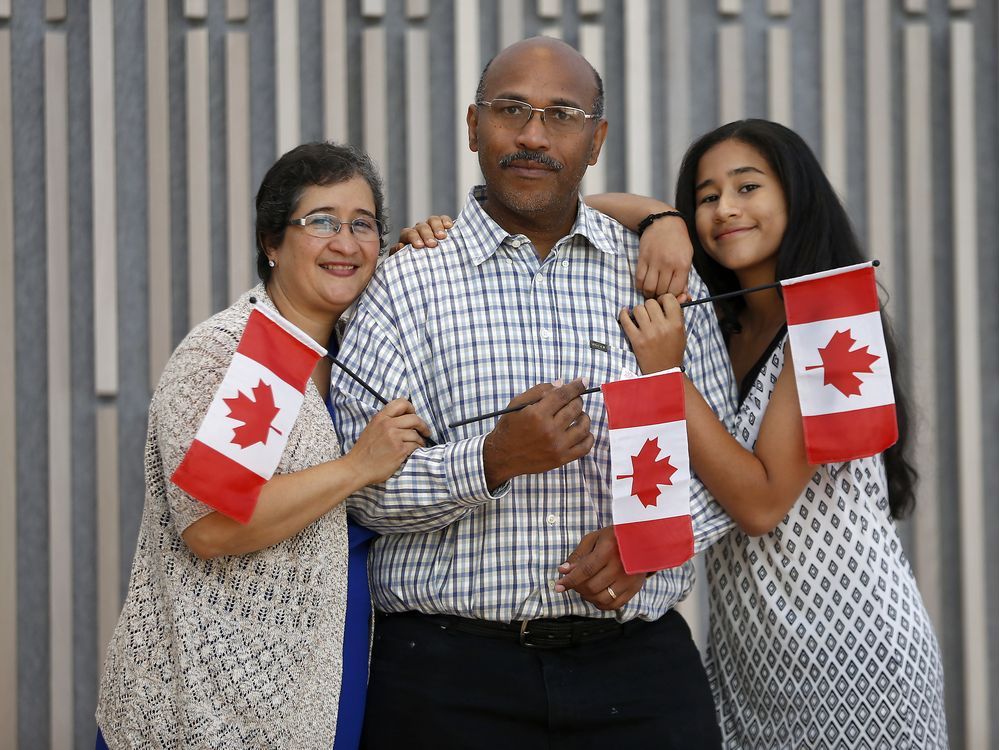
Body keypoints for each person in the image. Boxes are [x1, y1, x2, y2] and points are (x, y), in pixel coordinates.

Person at [328, 37, 737, 747]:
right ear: (471, 126)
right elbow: (360, 490)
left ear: (598, 137)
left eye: (563, 114)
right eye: (510, 109)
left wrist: (655, 541)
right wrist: (492, 460)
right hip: (447, 678)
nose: (533, 135)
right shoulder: (404, 284)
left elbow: (721, 467)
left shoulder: (659, 278)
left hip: (639, 678)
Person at [607, 119, 948, 748]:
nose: (725, 209)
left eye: (747, 187)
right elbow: (582, 211)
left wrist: (667, 377)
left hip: (856, 658)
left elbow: (761, 504)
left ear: (796, 196)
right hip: (745, 657)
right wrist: (662, 219)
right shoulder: (718, 330)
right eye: (706, 197)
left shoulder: (832, 323)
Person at [94, 142, 431, 749]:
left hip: (326, 668)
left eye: (363, 225)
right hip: (214, 696)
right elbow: (214, 525)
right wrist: (358, 467)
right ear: (271, 243)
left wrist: (658, 220)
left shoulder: (359, 349)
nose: (346, 243)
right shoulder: (247, 353)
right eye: (321, 221)